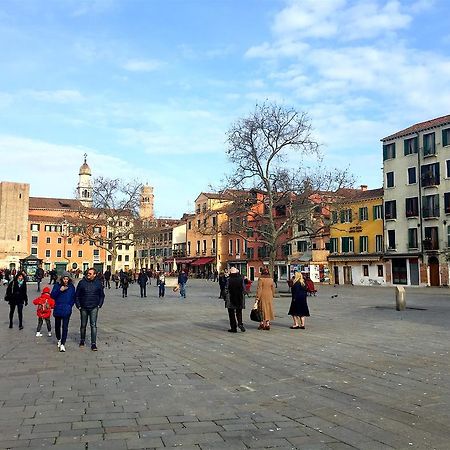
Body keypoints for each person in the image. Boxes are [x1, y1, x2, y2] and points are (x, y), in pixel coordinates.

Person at [75, 268, 105, 351]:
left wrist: (99, 305)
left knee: (93, 325)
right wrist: (79, 306)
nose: (88, 274)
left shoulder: (98, 283)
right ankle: (82, 340)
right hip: (83, 307)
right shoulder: (82, 283)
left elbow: (102, 295)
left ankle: (93, 343)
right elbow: (77, 295)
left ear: (94, 275)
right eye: (88, 273)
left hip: (94, 307)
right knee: (83, 325)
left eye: (90, 273)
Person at [51, 271, 76, 352]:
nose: (66, 280)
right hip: (58, 308)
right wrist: (59, 290)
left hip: (67, 309)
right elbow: (52, 296)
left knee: (65, 327)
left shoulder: (71, 287)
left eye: (67, 279)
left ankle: (63, 344)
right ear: (61, 279)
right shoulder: (57, 285)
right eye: (64, 279)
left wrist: (70, 305)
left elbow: (73, 297)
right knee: (57, 326)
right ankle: (58, 339)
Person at [225, 267, 246, 333]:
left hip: (231, 298)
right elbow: (244, 288)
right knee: (239, 312)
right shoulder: (241, 279)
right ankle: (240, 323)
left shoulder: (228, 279)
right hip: (240, 297)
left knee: (231, 313)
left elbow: (226, 289)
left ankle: (233, 328)